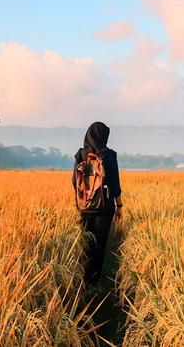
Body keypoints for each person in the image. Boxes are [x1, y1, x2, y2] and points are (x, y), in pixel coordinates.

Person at [72, 121, 123, 288]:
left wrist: (84, 197)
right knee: (100, 244)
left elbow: (74, 182)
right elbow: (115, 184)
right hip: (104, 207)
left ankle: (83, 280)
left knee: (86, 243)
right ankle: (94, 282)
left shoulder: (80, 154)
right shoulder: (109, 156)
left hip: (85, 207)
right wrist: (119, 206)